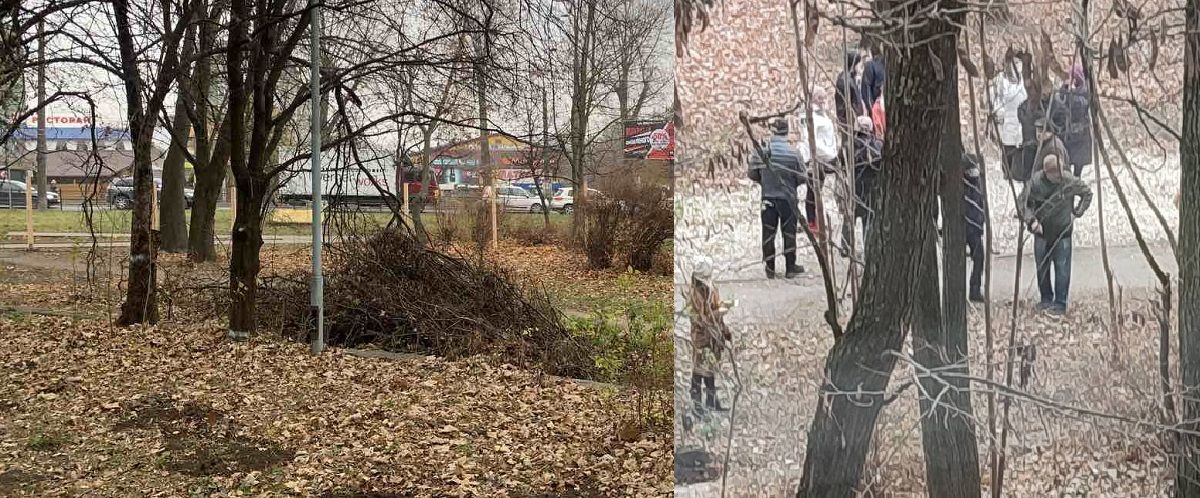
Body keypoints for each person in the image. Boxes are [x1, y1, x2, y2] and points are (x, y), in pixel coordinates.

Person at [1019, 155, 1093, 314]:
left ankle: (1060, 303)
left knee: (1062, 269)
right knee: (1042, 268)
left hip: (1062, 232)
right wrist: (1031, 221)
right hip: (1042, 233)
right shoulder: (1035, 183)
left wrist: (1077, 212)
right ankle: (1046, 298)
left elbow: (1087, 193)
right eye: (1056, 174)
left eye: (1061, 172)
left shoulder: (1069, 180)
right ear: (1047, 173)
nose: (1060, 176)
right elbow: (1023, 203)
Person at [749, 118, 806, 279]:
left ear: (772, 132)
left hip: (767, 197)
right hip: (788, 198)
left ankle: (770, 267)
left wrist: (764, 181)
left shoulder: (761, 151)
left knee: (768, 232)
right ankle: (790, 267)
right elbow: (802, 176)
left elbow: (751, 173)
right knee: (789, 232)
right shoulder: (794, 152)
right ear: (786, 132)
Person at [689, 263, 731, 415]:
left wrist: (725, 331)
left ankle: (711, 401)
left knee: (710, 369)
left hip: (713, 335)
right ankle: (697, 404)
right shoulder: (695, 295)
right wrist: (717, 313)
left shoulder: (712, 289)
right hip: (701, 337)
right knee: (700, 370)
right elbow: (700, 319)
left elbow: (716, 311)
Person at [797, 94, 841, 234]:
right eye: (820, 98)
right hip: (817, 159)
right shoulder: (811, 117)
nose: (823, 101)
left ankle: (817, 220)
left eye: (824, 98)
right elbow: (810, 140)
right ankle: (812, 222)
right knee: (813, 192)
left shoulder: (823, 115)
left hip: (826, 157)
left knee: (818, 191)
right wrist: (825, 153)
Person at [842, 115, 882, 255]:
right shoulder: (877, 145)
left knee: (849, 216)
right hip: (871, 188)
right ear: (870, 128)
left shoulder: (848, 146)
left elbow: (839, 164)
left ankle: (846, 247)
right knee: (868, 219)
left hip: (853, 186)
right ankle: (868, 246)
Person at [1049, 64, 1093, 178]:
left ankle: (1076, 180)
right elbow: (1058, 105)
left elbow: (1081, 105)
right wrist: (1064, 91)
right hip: (1068, 134)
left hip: (1081, 135)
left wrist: (1071, 95)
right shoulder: (1065, 90)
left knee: (1078, 165)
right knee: (1067, 161)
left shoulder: (1084, 91)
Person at [990, 60, 1027, 180]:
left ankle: (1008, 172)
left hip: (1012, 125)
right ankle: (1011, 172)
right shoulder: (1017, 88)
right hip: (1013, 125)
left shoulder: (1003, 86)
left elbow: (997, 105)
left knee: (1009, 149)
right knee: (1012, 150)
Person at [964, 154, 987, 302]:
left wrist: (981, 222)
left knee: (979, 258)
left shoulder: (978, 183)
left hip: (975, 228)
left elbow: (981, 204)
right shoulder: (960, 184)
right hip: (962, 227)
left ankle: (975, 290)